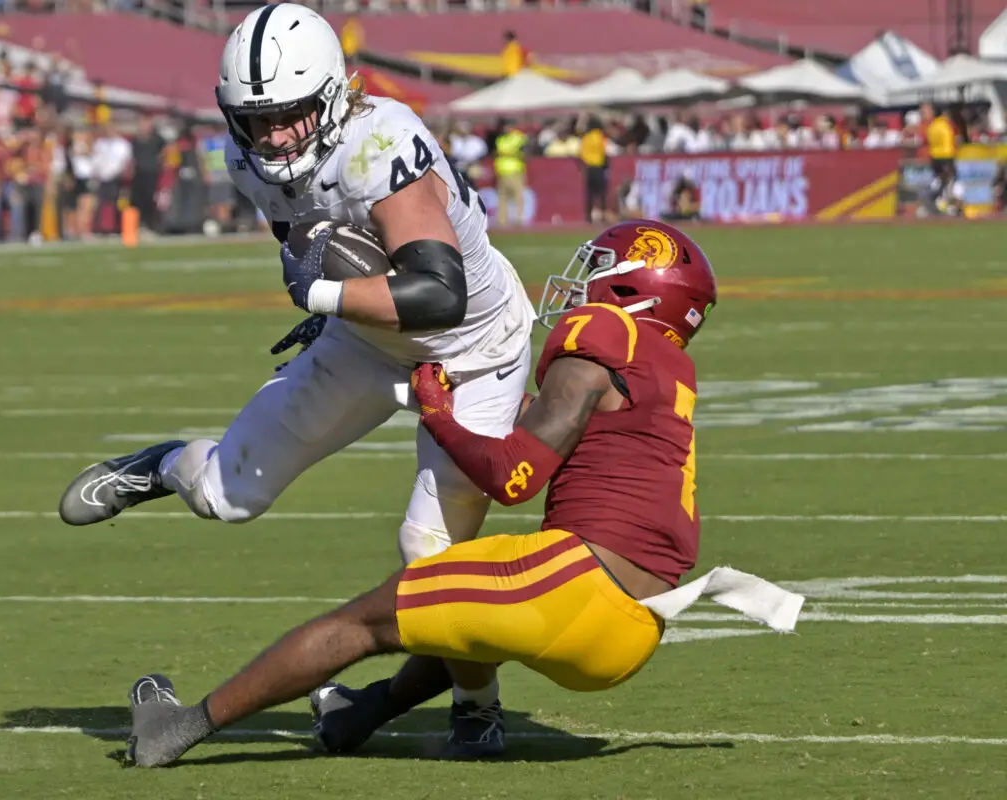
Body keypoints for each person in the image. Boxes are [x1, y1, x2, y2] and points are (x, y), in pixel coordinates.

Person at [122, 220, 803, 768]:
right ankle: (366, 713)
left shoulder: (604, 332)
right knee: (472, 616)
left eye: (599, 270)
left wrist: (439, 414)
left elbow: (515, 478)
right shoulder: (669, 369)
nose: (581, 284)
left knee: (361, 623)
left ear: (635, 289)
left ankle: (177, 729)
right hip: (635, 630)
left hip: (576, 587)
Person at [57, 3, 534, 758]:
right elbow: (307, 240)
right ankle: (157, 465)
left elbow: (440, 291)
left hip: (475, 350)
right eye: (259, 117)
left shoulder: (381, 141)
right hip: (368, 341)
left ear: (334, 96)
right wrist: (332, 301)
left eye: (291, 113)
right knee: (225, 496)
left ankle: (477, 705)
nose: (274, 134)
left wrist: (322, 294)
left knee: (431, 556)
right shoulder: (246, 157)